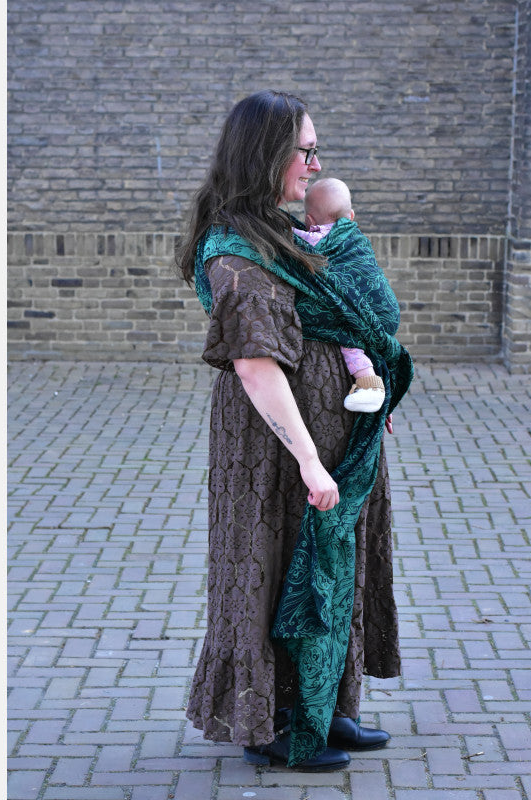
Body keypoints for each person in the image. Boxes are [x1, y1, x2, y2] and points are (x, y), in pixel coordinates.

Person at [175, 90, 414, 772]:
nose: (315, 163)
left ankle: (325, 707)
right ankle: (269, 722)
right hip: (273, 452)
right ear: (267, 154)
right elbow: (255, 367)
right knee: (274, 567)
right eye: (304, 151)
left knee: (333, 570)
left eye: (315, 150)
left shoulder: (283, 231)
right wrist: (309, 459)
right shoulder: (234, 250)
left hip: (336, 431)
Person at [293, 177, 386, 414]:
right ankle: (370, 383)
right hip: (363, 307)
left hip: (341, 312)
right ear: (351, 216)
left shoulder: (312, 239)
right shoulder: (358, 241)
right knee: (355, 344)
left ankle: (369, 385)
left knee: (349, 344)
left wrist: (288, 231)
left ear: (309, 220)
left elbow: (296, 245)